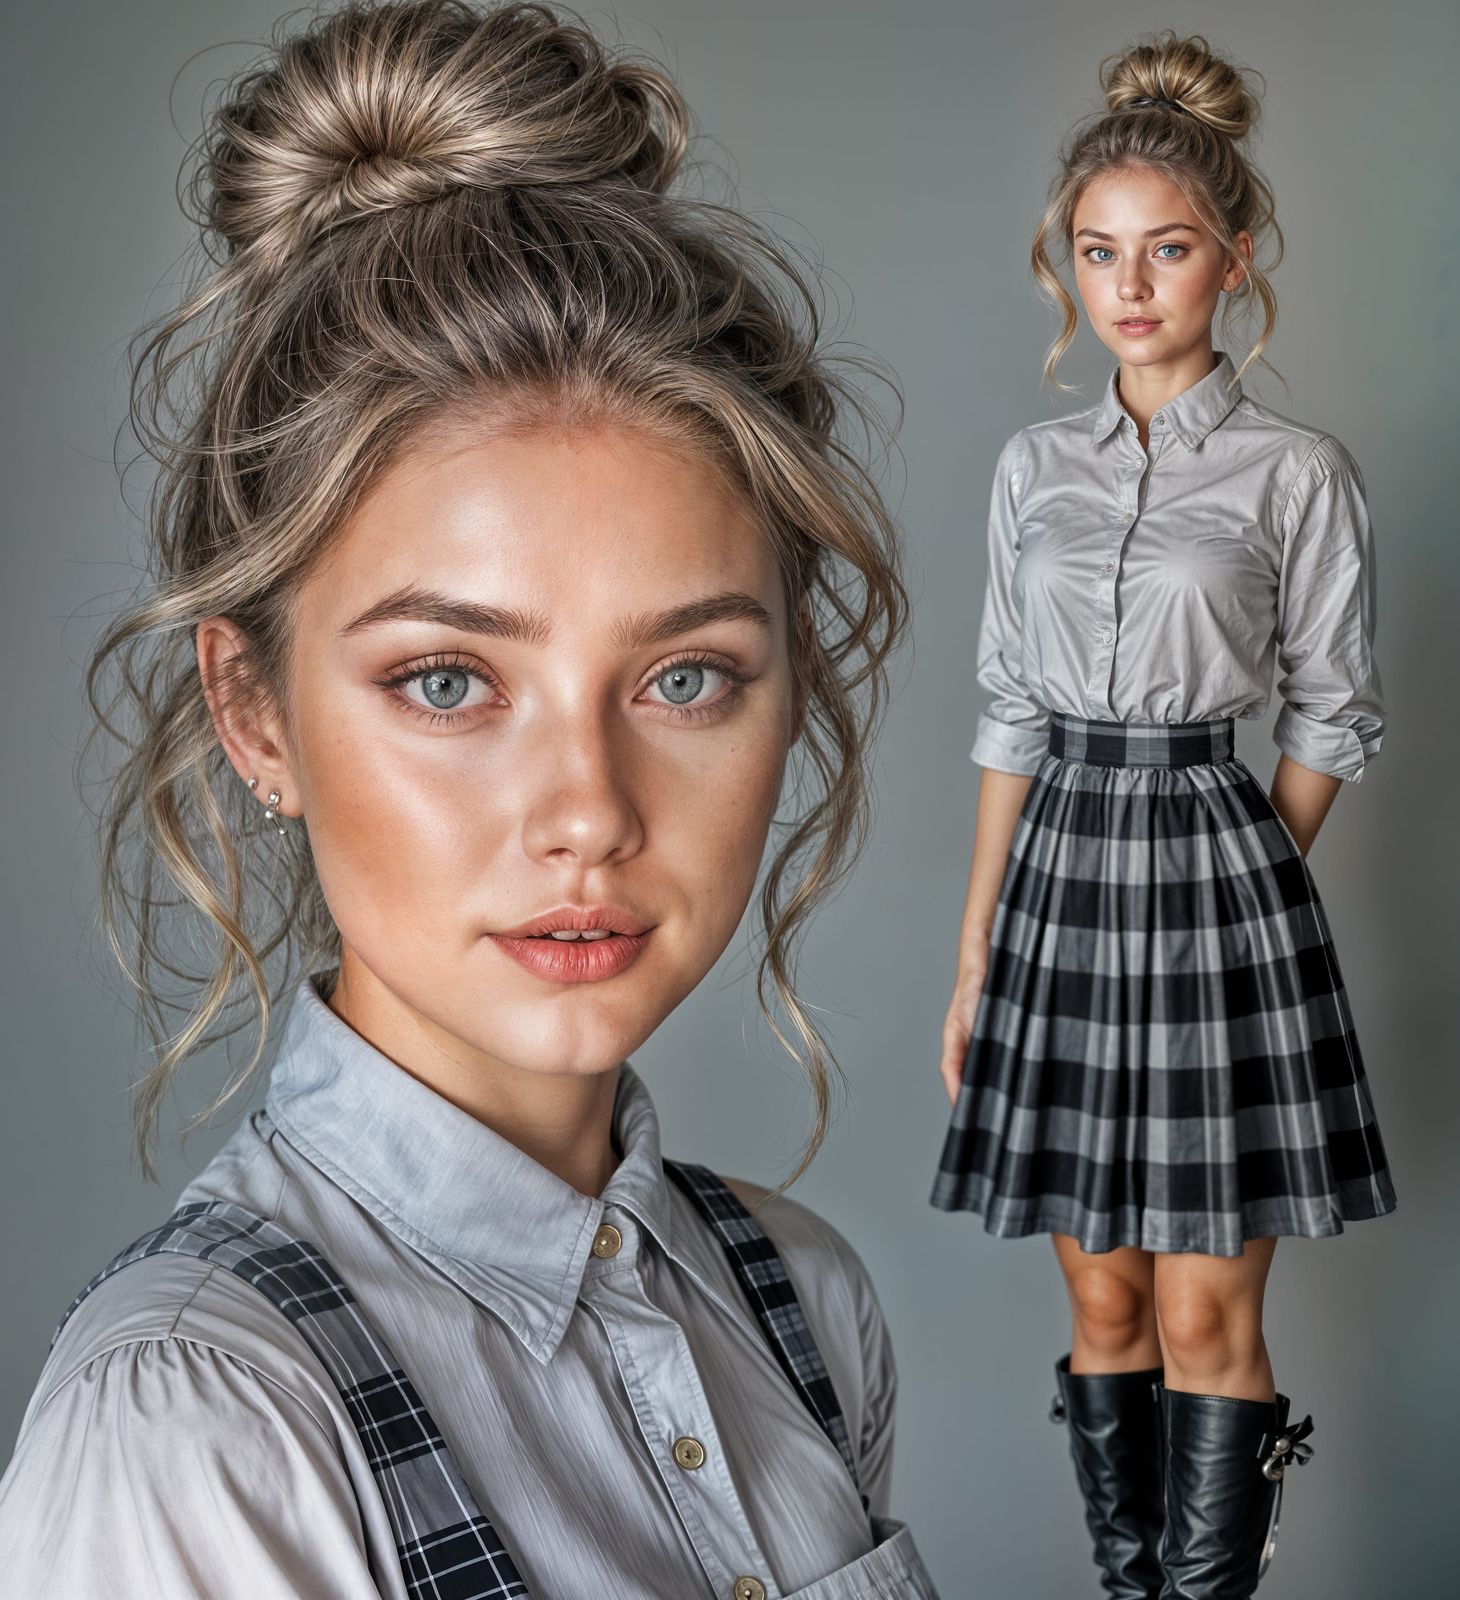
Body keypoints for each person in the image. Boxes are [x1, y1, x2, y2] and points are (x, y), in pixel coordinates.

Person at [0, 4, 939, 1597]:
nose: (588, 813)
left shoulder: (807, 1302)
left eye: (686, 677)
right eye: (449, 681)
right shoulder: (200, 1426)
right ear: (255, 713)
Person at [928, 29, 1397, 1599]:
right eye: (1099, 252)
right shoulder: (1030, 468)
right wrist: (978, 950)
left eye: (1170, 250)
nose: (1132, 286)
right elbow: (1006, 705)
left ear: (1234, 260)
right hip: (1058, 874)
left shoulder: (1294, 473)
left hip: (1216, 873)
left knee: (1206, 1319)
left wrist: (1248, 882)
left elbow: (1333, 711)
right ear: (1069, 268)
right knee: (1108, 1312)